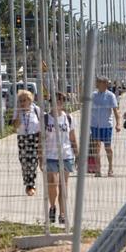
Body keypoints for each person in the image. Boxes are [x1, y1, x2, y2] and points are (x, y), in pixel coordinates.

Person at [42, 93, 78, 224]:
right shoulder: (46, 119)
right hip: (50, 155)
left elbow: (72, 137)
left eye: (61, 101)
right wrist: (40, 158)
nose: (59, 103)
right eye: (56, 100)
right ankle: (52, 207)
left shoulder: (68, 118)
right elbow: (40, 139)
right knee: (53, 182)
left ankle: (62, 213)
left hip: (66, 155)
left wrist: (77, 154)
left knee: (63, 185)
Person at [89, 77, 121, 177]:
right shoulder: (93, 95)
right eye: (97, 82)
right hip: (95, 125)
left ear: (105, 84)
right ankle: (98, 169)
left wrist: (118, 123)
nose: (97, 84)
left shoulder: (110, 96)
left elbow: (116, 111)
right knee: (96, 148)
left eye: (99, 82)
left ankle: (110, 167)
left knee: (107, 147)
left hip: (106, 125)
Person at [12, 90, 41, 196]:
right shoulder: (17, 110)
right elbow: (15, 126)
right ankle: (27, 182)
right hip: (22, 138)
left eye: (24, 100)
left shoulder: (36, 110)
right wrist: (19, 113)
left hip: (34, 137)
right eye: (20, 100)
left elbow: (42, 123)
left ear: (30, 100)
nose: (22, 102)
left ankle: (31, 185)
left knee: (33, 162)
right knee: (24, 162)